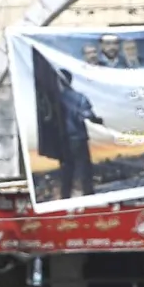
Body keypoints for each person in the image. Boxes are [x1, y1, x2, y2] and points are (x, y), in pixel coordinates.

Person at [57, 69, 102, 198]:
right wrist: (97, 120)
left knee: (67, 171)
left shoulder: (54, 99)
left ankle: (65, 197)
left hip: (63, 141)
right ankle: (89, 196)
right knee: (85, 170)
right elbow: (88, 115)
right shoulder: (79, 97)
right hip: (79, 138)